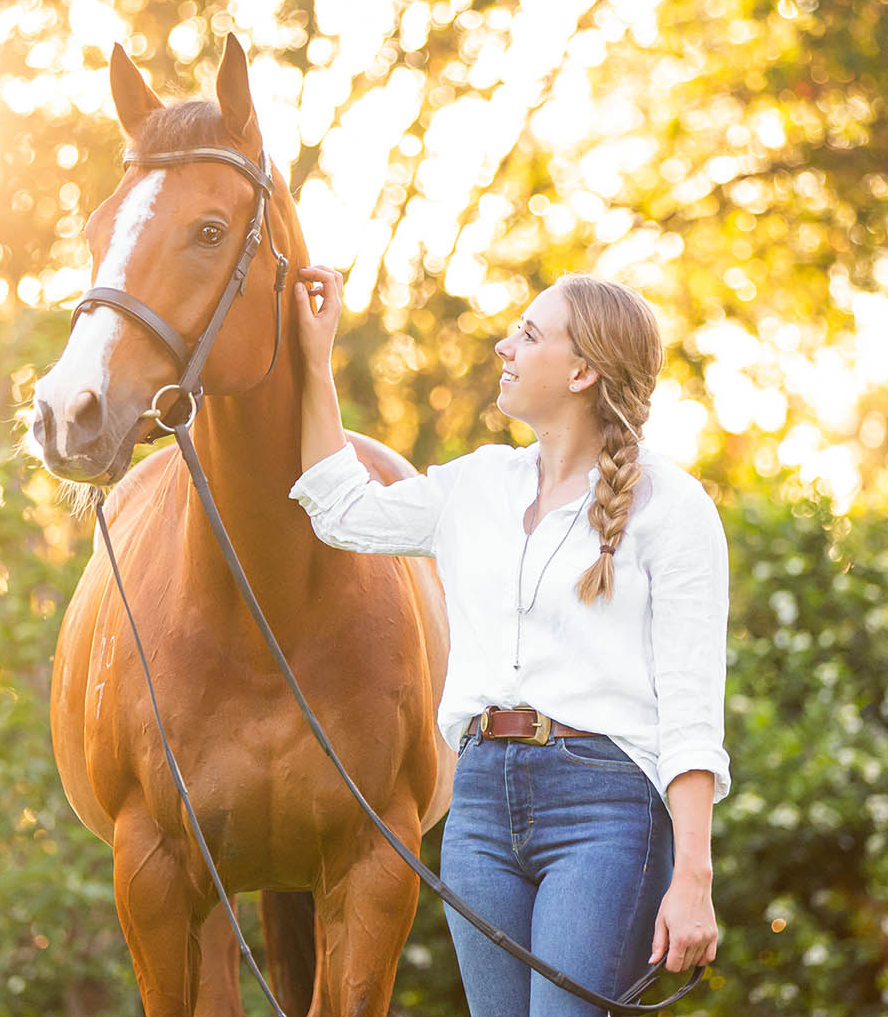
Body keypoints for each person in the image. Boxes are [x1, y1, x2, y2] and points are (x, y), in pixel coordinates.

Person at [287, 264, 729, 1017]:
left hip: (607, 811)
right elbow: (341, 511)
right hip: (481, 806)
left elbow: (690, 715)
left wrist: (693, 880)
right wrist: (315, 358)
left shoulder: (674, 508)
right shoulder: (478, 484)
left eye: (528, 334)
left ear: (583, 370)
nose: (503, 347)